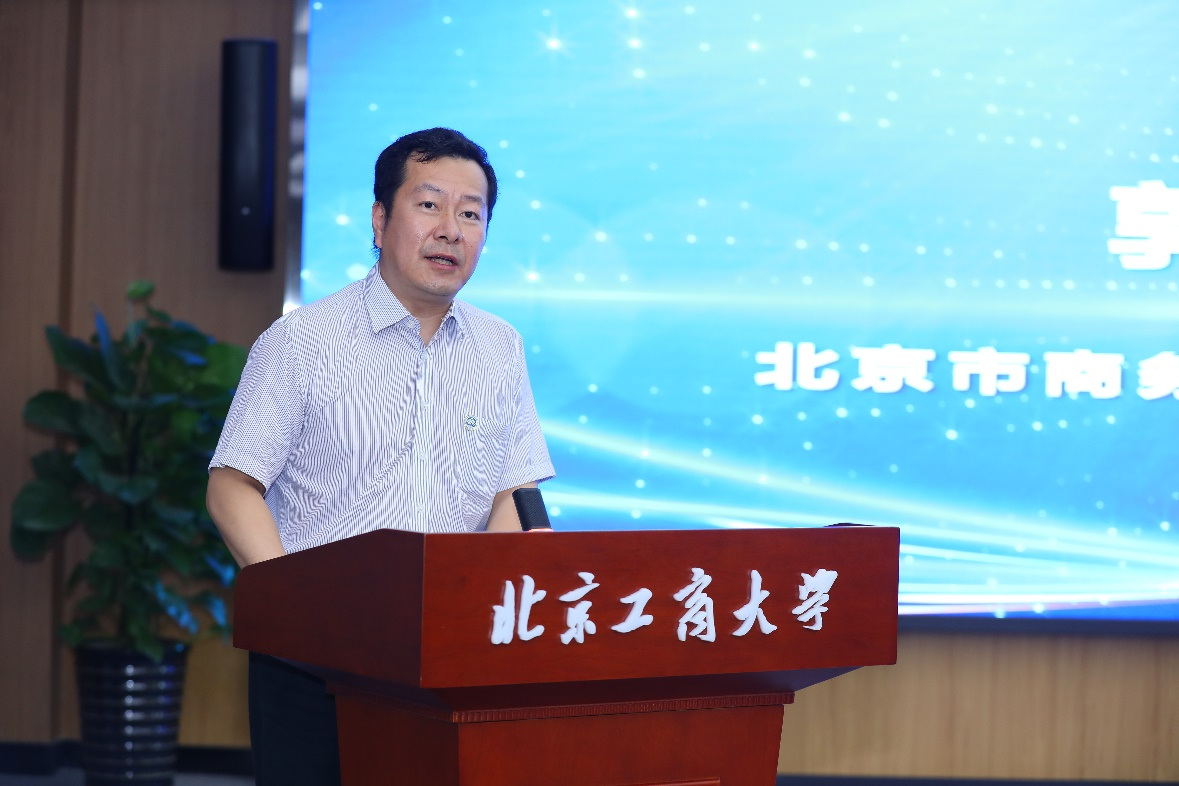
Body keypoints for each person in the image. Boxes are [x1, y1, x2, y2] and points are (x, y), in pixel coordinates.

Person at [206, 128, 555, 786]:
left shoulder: (500, 347)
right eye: (428, 205)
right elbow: (231, 485)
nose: (450, 229)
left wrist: (492, 613)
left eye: (471, 213)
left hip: (450, 656)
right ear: (379, 219)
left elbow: (514, 491)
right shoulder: (302, 339)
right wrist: (296, 608)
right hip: (314, 662)